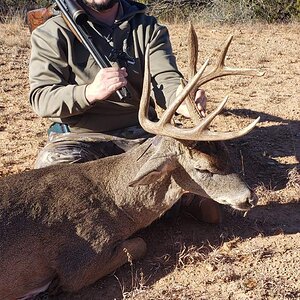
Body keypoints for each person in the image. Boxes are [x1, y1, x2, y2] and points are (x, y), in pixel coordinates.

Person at [29, 0, 221, 223]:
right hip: (78, 138)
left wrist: (182, 99)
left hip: (140, 135)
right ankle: (175, 204)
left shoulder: (147, 28)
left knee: (185, 151)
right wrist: (89, 92)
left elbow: (166, 79)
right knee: (54, 180)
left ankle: (176, 202)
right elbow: (41, 98)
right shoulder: (53, 32)